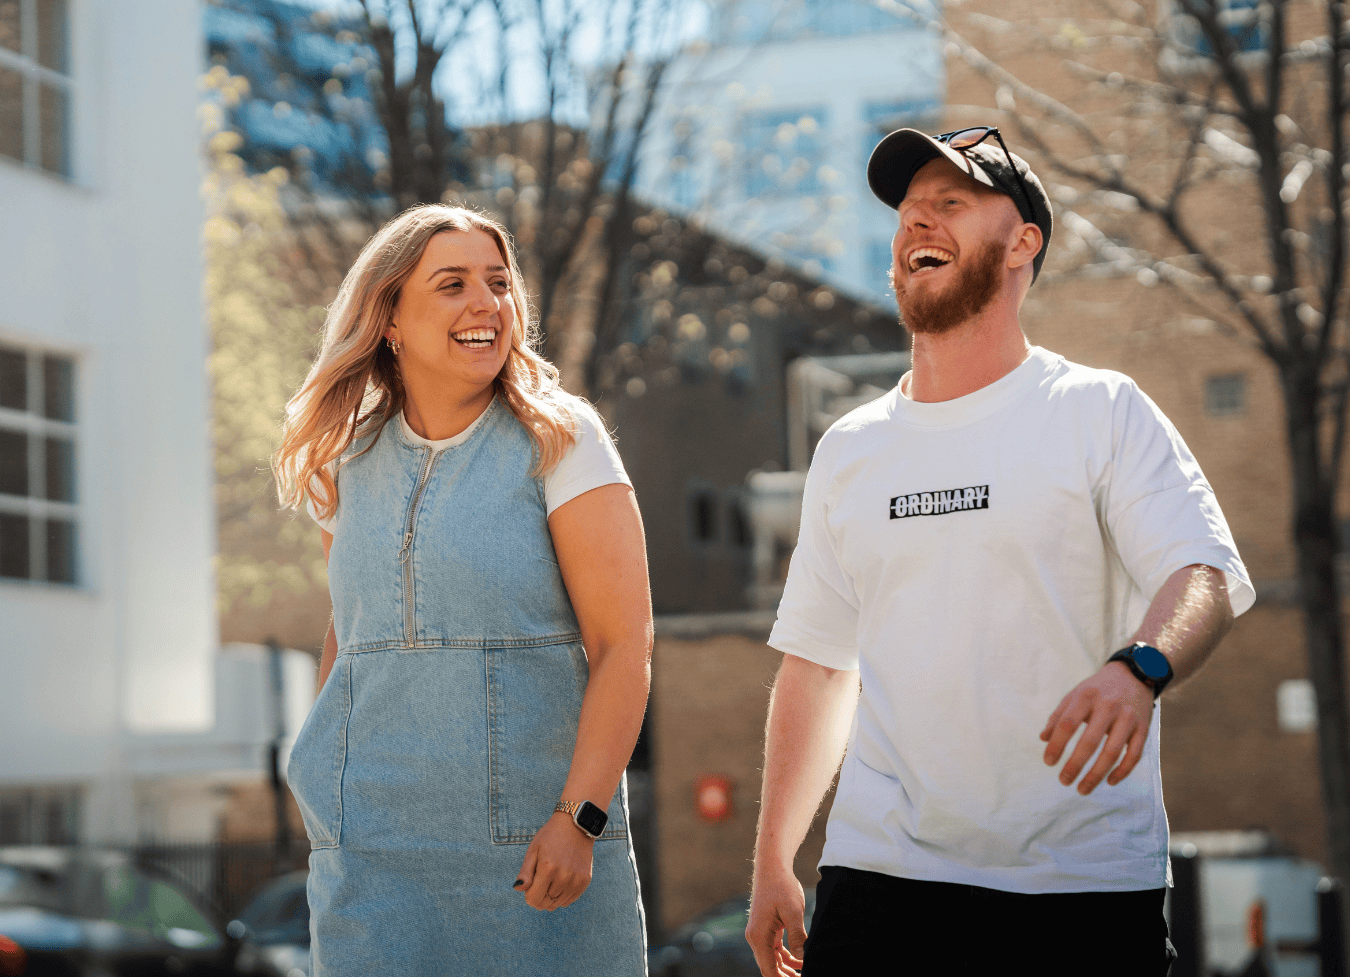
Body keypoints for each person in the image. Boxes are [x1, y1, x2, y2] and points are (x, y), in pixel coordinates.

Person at [745, 127, 1254, 976]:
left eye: (950, 204)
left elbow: (1200, 573)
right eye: (909, 214)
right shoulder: (849, 448)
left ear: (1023, 243)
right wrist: (771, 859)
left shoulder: (1099, 410)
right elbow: (817, 664)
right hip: (880, 883)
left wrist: (1141, 668)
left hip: (1079, 890)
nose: (918, 225)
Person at [273, 205, 651, 976]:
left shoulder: (563, 438)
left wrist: (580, 817)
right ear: (391, 321)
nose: (488, 304)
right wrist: (326, 792)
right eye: (453, 285)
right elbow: (350, 636)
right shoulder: (343, 461)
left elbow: (624, 646)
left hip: (537, 854)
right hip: (370, 855)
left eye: (499, 283)